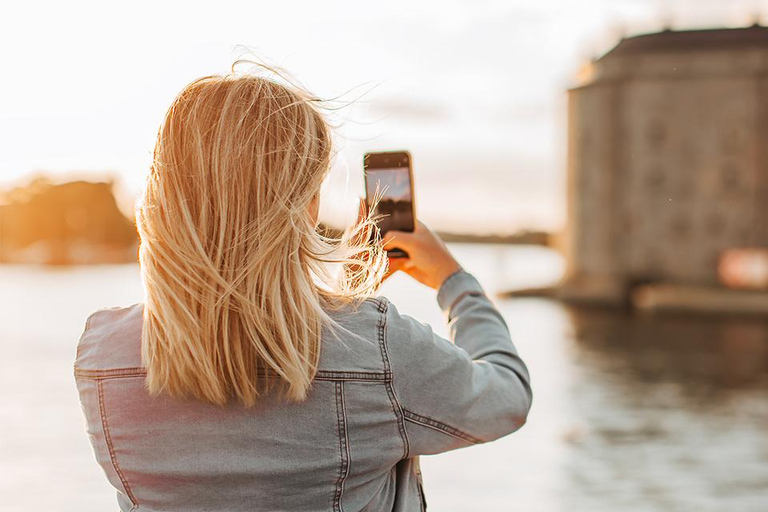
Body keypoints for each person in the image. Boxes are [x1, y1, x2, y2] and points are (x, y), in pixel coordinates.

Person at [74, 71, 532, 512]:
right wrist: (453, 280)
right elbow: (506, 398)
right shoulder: (377, 347)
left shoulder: (102, 354)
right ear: (303, 205)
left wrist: (347, 292)